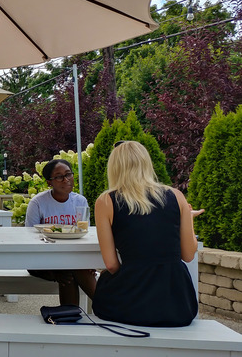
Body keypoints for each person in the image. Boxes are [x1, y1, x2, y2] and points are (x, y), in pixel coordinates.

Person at [93, 140, 202, 327]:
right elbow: (189, 255)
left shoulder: (106, 201)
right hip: (178, 304)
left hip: (133, 304)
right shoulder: (176, 195)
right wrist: (188, 218)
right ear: (146, 163)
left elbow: (111, 265)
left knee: (102, 283)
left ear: (114, 167)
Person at [24, 158, 96, 306]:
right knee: (69, 270)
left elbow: (84, 234)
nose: (66, 179)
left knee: (69, 271)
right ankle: (108, 308)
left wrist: (87, 261)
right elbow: (28, 238)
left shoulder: (80, 202)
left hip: (72, 258)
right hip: (43, 261)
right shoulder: (38, 203)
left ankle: (71, 319)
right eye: (59, 176)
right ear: (49, 182)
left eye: (68, 174)